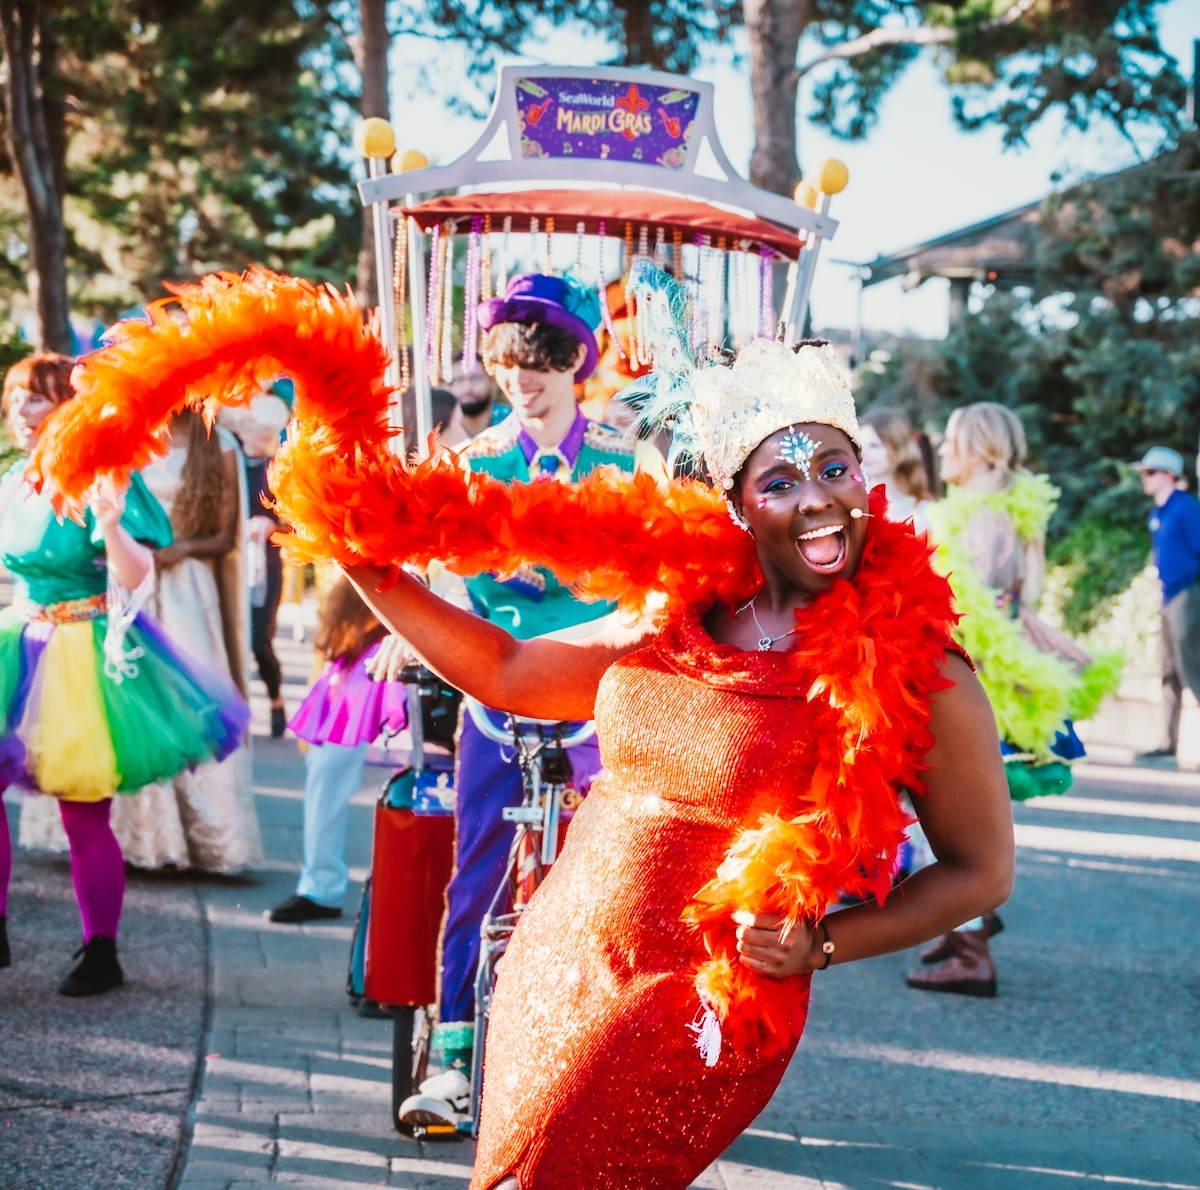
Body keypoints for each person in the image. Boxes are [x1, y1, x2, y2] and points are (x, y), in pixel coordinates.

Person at [40, 265, 1017, 1189]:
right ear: (734, 504)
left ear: (864, 478)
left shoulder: (918, 668)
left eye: (834, 467)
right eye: (782, 479)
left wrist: (825, 945)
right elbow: (507, 671)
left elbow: (979, 871)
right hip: (561, 959)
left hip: (693, 1001)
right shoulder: (676, 609)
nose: (816, 497)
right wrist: (369, 567)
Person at [391, 272, 636, 1131]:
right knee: (478, 875)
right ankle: (453, 1059)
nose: (523, 379)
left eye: (541, 360)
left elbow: (654, 581)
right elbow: (436, 579)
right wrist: (476, 571)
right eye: (507, 362)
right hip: (495, 699)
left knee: (604, 884)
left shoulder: (622, 465)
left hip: (601, 704)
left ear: (576, 361)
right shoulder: (472, 465)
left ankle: (589, 1056)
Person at [0, 354, 247, 993]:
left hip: (82, 651)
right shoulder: (12, 480)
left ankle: (100, 950)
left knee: (83, 816)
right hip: (17, 637)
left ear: (71, 411)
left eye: (40, 400)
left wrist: (109, 522)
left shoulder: (103, 478)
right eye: (18, 400)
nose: (25, 413)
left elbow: (139, 571)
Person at [906, 402, 1120, 997]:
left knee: (942, 815)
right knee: (943, 810)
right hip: (981, 671)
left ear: (978, 449)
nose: (941, 450)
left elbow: (968, 606)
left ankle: (971, 949)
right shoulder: (1001, 509)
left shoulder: (981, 514)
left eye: (952, 440)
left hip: (970, 675)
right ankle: (961, 924)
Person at [81, 408, 264, 872]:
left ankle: (209, 839)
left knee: (193, 700)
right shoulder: (126, 436)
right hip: (130, 581)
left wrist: (179, 549)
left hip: (186, 587)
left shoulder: (217, 440)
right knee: (133, 700)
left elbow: (226, 535)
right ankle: (134, 836)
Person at [267, 579, 406, 923]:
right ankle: (322, 884)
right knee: (327, 771)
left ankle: (323, 886)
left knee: (330, 773)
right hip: (369, 652)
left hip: (387, 653)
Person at [1131, 445, 1200, 770]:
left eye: (1150, 473)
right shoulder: (1159, 513)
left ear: (1168, 475)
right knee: (1168, 670)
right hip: (1169, 596)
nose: (1145, 479)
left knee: (1190, 667)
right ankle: (1168, 743)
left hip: (1188, 594)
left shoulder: (1185, 508)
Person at [222, 390, 292, 736]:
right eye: (256, 427)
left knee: (259, 639)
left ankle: (276, 698)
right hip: (230, 563)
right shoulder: (226, 465)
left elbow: (296, 524)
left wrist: (272, 527)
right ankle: (238, 712)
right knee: (231, 637)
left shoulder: (276, 471)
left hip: (267, 564)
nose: (263, 435)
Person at [857, 406, 935, 523]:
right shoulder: (856, 507)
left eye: (874, 445)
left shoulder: (926, 510)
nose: (864, 453)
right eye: (860, 446)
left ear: (898, 448)